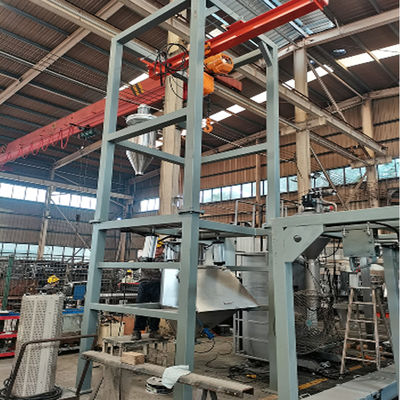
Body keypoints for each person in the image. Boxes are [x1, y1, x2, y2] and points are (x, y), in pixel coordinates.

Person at [132, 241, 164, 340]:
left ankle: (154, 330)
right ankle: (137, 331)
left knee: (156, 308)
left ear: (163, 249)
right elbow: (133, 267)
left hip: (157, 284)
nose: (157, 250)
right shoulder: (144, 257)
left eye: (159, 248)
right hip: (144, 284)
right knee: (141, 307)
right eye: (155, 248)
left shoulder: (165, 259)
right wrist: (136, 262)